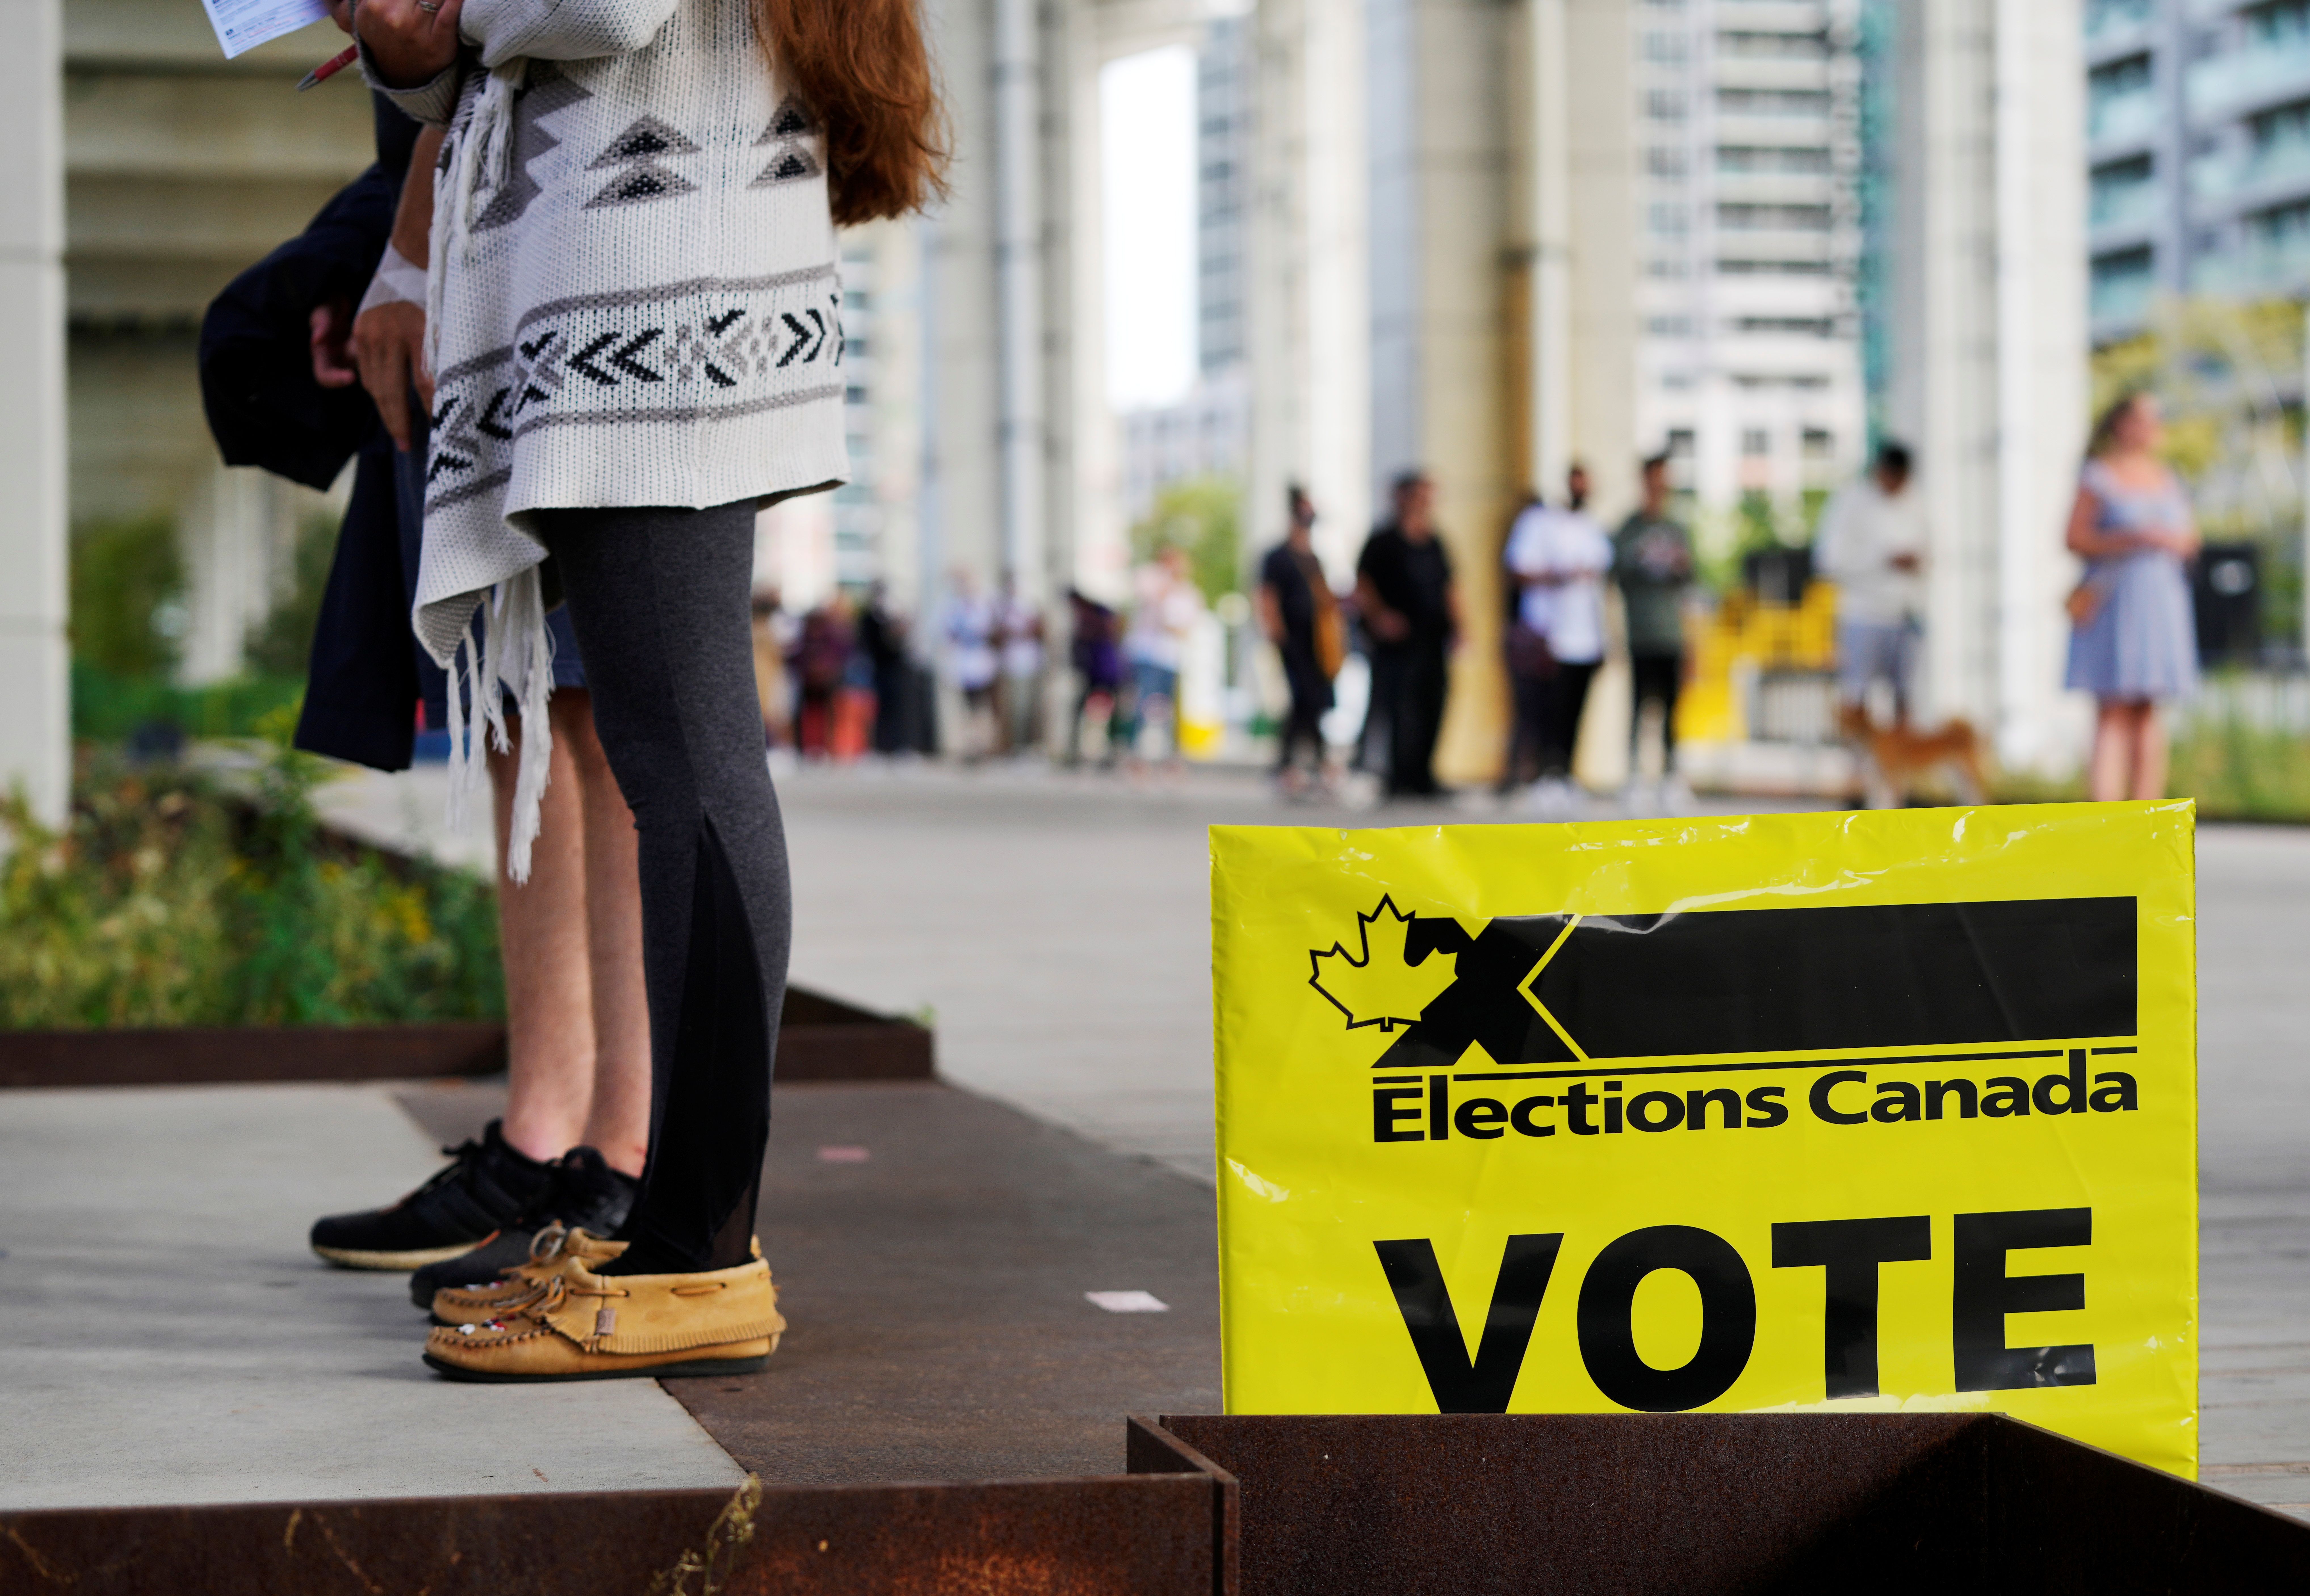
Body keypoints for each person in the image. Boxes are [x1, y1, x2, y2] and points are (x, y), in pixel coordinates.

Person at [355, 0, 944, 1379]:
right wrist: (407, 41)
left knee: (684, 749)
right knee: (666, 741)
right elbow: (499, 69)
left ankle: (703, 1250)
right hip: (624, 287)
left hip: (668, 292)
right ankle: (682, 1233)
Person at [206, 90, 650, 1302]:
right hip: (488, 262)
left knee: (607, 721)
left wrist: (399, 248)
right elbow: (442, 108)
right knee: (521, 703)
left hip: (593, 253)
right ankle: (549, 1132)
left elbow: (528, 50)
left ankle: (626, 1152)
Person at [2065, 392, 2200, 802]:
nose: (2152, 428)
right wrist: (2132, 538)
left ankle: (2148, 817)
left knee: (2148, 710)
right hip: (2116, 604)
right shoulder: (2098, 476)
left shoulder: (2167, 477)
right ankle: (2107, 816)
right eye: (2144, 420)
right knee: (2114, 709)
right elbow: (2074, 537)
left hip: (2160, 603)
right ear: (2122, 425)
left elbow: (2191, 539)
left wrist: (2173, 541)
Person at [1503, 464, 1610, 815]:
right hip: (1548, 635)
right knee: (1543, 711)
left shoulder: (1591, 527)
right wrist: (1559, 574)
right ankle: (1538, 776)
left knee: (1574, 711)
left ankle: (1565, 773)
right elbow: (1518, 570)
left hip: (1585, 636)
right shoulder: (1537, 523)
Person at [1355, 472, 1459, 799]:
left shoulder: (1435, 541)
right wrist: (1380, 617)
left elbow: (1451, 587)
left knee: (1433, 704)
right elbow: (1363, 584)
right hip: (1397, 643)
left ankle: (1423, 775)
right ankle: (1397, 776)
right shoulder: (1382, 541)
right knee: (1399, 708)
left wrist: (1461, 626)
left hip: (1432, 637)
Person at [1815, 441, 1924, 726]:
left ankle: (1901, 766)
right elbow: (1829, 561)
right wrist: (1883, 560)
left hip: (1904, 613)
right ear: (1880, 472)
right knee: (1857, 693)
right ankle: (1860, 766)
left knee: (1904, 695)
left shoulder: (1915, 502)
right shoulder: (1851, 502)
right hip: (1862, 614)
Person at [1611, 452, 1694, 805]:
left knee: (1672, 710)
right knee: (1638, 708)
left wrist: (1679, 565)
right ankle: (1634, 778)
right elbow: (1615, 575)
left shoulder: (1677, 529)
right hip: (1640, 632)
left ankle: (1670, 777)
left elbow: (1691, 582)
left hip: (1671, 633)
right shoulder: (1628, 529)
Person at [1257, 486, 1341, 796]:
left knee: (1316, 700)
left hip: (1317, 640)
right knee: (1301, 698)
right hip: (1292, 639)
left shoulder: (1314, 558)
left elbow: (1324, 598)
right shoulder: (1277, 556)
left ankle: (1314, 762)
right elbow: (1267, 595)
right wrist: (1275, 632)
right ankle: (1290, 763)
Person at [1123, 545, 1203, 768]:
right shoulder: (1150, 577)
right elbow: (1150, 600)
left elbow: (1187, 624)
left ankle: (1170, 756)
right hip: (1147, 654)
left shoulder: (1188, 592)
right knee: (1143, 705)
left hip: (1170, 657)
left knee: (1169, 709)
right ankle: (1137, 754)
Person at [942, 570, 1000, 761]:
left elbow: (992, 632)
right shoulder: (955, 609)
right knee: (968, 708)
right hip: (965, 666)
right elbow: (949, 634)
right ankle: (970, 746)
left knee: (982, 707)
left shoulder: (985, 607)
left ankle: (983, 745)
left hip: (982, 666)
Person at [994, 575, 1047, 755]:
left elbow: (1040, 632)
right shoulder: (1003, 610)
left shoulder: (1032, 609)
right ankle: (1012, 746)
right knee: (1012, 710)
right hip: (1011, 665)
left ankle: (1028, 745)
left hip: (1029, 665)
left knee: (1028, 708)